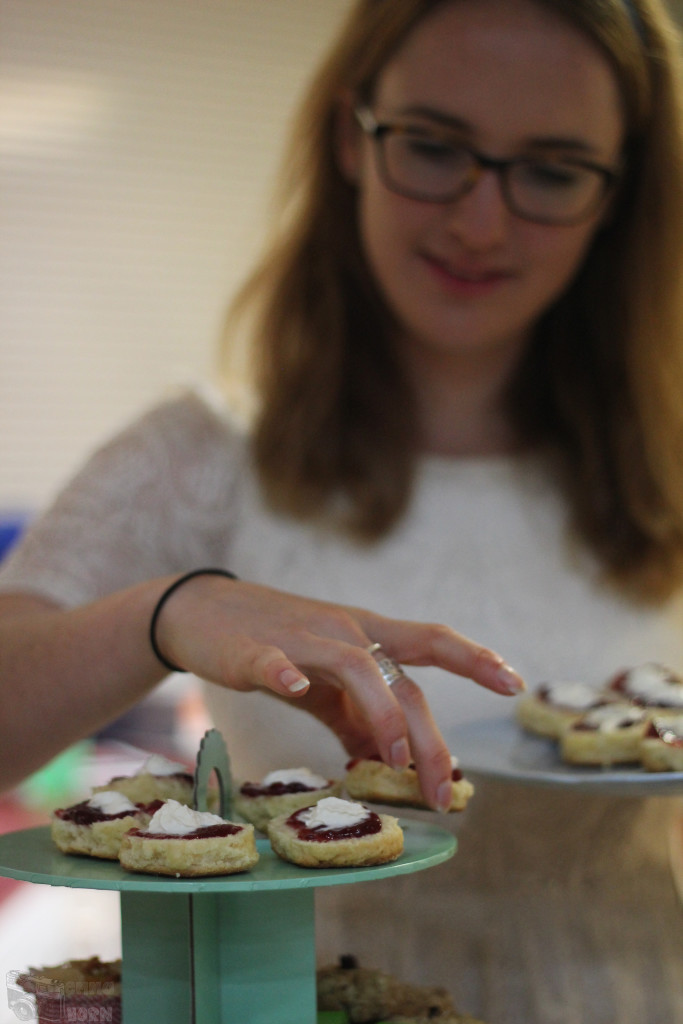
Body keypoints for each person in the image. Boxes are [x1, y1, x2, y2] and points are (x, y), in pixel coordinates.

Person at [1, 0, 683, 1020]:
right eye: (434, 144)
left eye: (549, 169)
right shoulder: (201, 451)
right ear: (348, 137)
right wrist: (164, 611)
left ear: (620, 196)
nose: (477, 219)